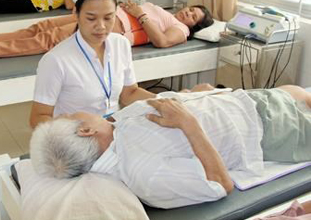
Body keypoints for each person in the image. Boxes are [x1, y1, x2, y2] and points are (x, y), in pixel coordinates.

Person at [29, 85, 311, 209]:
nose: (76, 111)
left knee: (297, 91)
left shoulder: (115, 127)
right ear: (86, 130)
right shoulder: (144, 174)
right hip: (268, 130)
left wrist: (192, 96)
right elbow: (220, 184)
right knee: (303, 97)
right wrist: (189, 123)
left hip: (244, 102)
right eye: (70, 115)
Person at [28, 0, 156, 128]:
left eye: (108, 18)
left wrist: (164, 100)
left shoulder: (121, 44)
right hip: (76, 139)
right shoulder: (56, 60)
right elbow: (37, 118)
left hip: (114, 132)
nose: (101, 26)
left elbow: (129, 93)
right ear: (76, 13)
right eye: (91, 18)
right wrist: (79, 129)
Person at [0, 0, 213, 58]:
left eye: (193, 16)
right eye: (191, 9)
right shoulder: (167, 11)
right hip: (105, 15)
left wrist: (140, 13)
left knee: (52, 37)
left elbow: (162, 42)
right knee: (43, 25)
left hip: (112, 29)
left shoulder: (181, 30)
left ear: (195, 25)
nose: (187, 13)